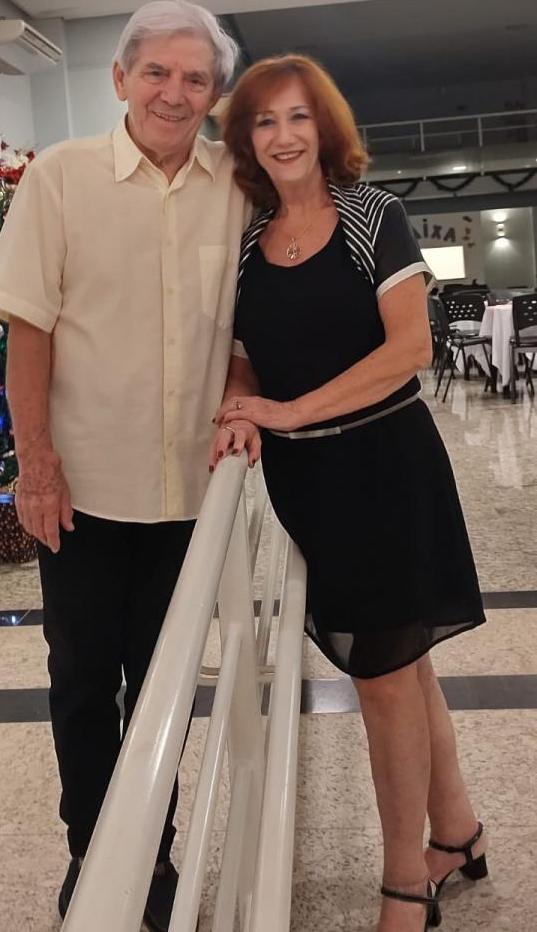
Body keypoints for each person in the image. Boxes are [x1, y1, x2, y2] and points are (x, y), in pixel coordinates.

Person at [0, 0, 257, 929]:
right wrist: (36, 464)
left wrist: (240, 388)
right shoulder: (60, 178)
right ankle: (90, 855)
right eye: (157, 73)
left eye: (195, 78)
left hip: (189, 493)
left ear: (214, 94)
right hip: (83, 492)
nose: (175, 93)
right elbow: (29, 329)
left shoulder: (238, 188)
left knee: (165, 686)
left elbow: (247, 323)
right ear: (121, 79)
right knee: (83, 682)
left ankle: (151, 856)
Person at [211, 55, 486, 932]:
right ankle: (457, 831)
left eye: (298, 117)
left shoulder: (374, 215)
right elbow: (248, 350)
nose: (283, 136)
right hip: (308, 484)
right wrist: (241, 404)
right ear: (247, 140)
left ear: (324, 127)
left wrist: (290, 409)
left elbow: (410, 350)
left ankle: (406, 878)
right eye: (264, 121)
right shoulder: (250, 241)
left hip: (385, 470)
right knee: (402, 667)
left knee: (383, 683)